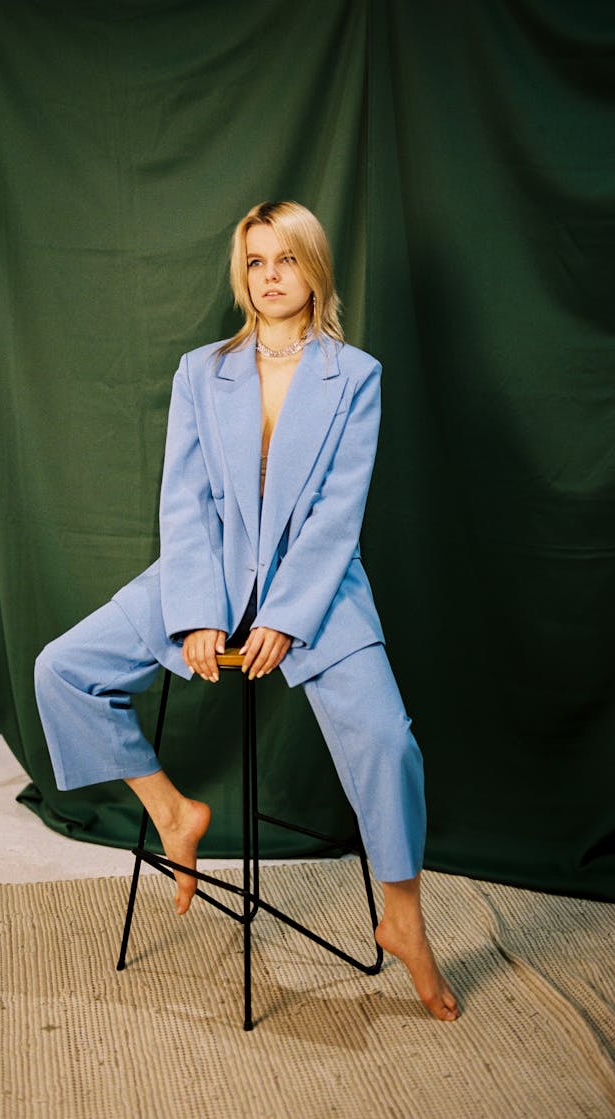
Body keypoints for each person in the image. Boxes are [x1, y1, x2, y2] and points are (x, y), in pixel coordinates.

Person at [35, 201, 459, 1021]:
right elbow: (185, 499)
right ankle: (171, 808)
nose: (271, 276)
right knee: (64, 668)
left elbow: (340, 511)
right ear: (244, 273)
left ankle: (403, 912)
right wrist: (196, 609)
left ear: (314, 270)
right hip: (210, 572)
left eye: (287, 259)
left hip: (317, 583)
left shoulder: (356, 374)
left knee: (387, 738)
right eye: (257, 260)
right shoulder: (202, 370)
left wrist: (290, 615)